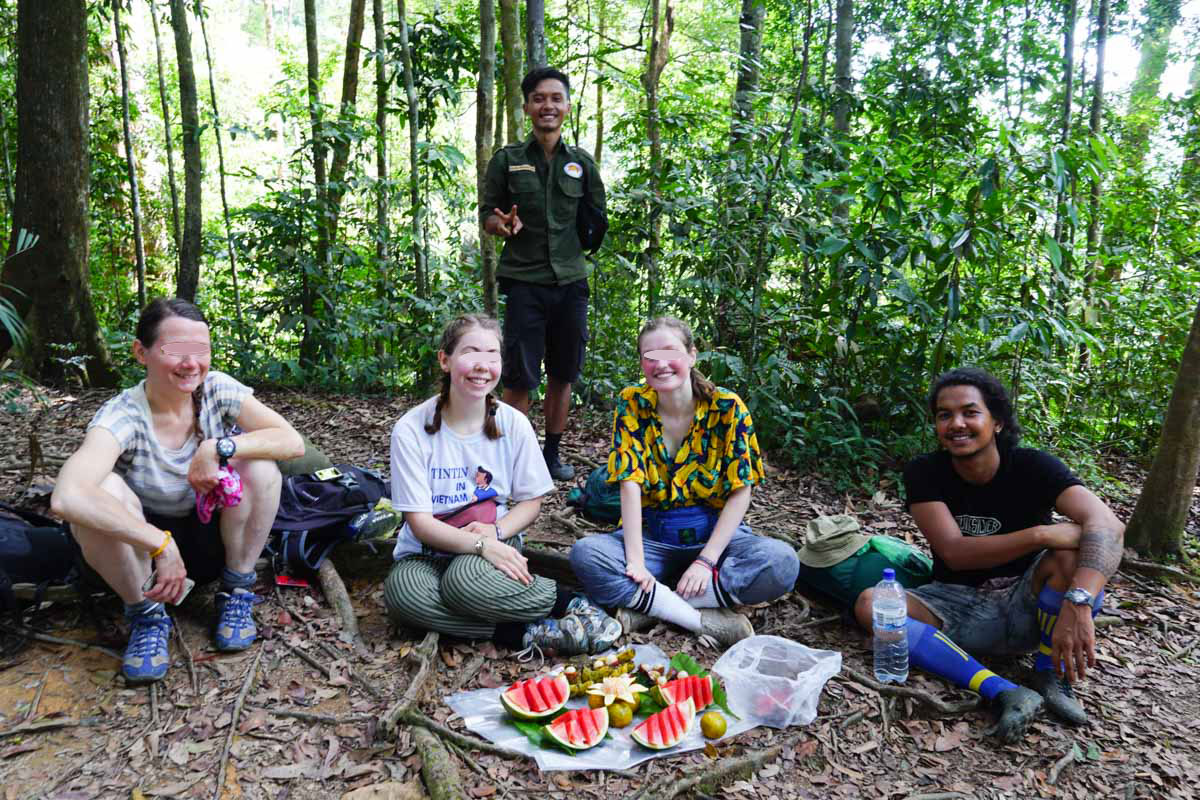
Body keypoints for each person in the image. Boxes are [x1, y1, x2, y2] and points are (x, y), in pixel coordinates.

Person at [854, 367, 1125, 742]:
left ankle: (1049, 674)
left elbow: (1107, 524)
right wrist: (1041, 533)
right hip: (957, 599)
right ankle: (1002, 689)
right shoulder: (925, 472)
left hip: (1027, 600)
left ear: (997, 422)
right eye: (944, 415)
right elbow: (956, 552)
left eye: (970, 412)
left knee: (1070, 556)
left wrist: (1080, 602)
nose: (956, 424)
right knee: (872, 605)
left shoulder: (1033, 466)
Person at [50, 298, 305, 684]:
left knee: (258, 464)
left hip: (205, 549)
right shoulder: (124, 415)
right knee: (101, 488)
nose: (191, 364)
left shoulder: (217, 390)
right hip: (141, 562)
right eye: (175, 351)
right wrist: (159, 544)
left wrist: (217, 447)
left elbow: (292, 441)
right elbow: (67, 496)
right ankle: (145, 616)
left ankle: (236, 590)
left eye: (200, 351)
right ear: (142, 352)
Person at [383, 314, 621, 656]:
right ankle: (529, 633)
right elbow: (419, 523)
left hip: (493, 537)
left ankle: (570, 603)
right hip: (427, 553)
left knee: (464, 581)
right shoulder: (411, 429)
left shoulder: (514, 424)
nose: (483, 366)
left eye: (492, 355)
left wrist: (494, 535)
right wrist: (478, 545)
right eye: (471, 352)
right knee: (404, 596)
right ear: (445, 359)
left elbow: (531, 502)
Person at [569, 317, 800, 647]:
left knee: (782, 563)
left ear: (692, 355)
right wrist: (634, 561)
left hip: (715, 533)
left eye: (670, 352)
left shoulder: (728, 408)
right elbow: (629, 483)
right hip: (654, 535)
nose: (660, 364)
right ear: (642, 363)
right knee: (586, 555)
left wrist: (706, 562)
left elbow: (740, 490)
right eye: (650, 355)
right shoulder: (632, 403)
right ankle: (697, 616)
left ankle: (653, 607)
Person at [480, 66, 606, 482]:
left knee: (563, 373)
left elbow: (595, 220)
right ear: (527, 107)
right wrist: (501, 226)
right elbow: (488, 214)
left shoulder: (582, 164)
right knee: (519, 375)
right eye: (539, 98)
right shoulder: (508, 160)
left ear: (567, 107)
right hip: (525, 283)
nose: (547, 105)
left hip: (571, 282)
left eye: (556, 98)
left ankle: (550, 455)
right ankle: (511, 457)